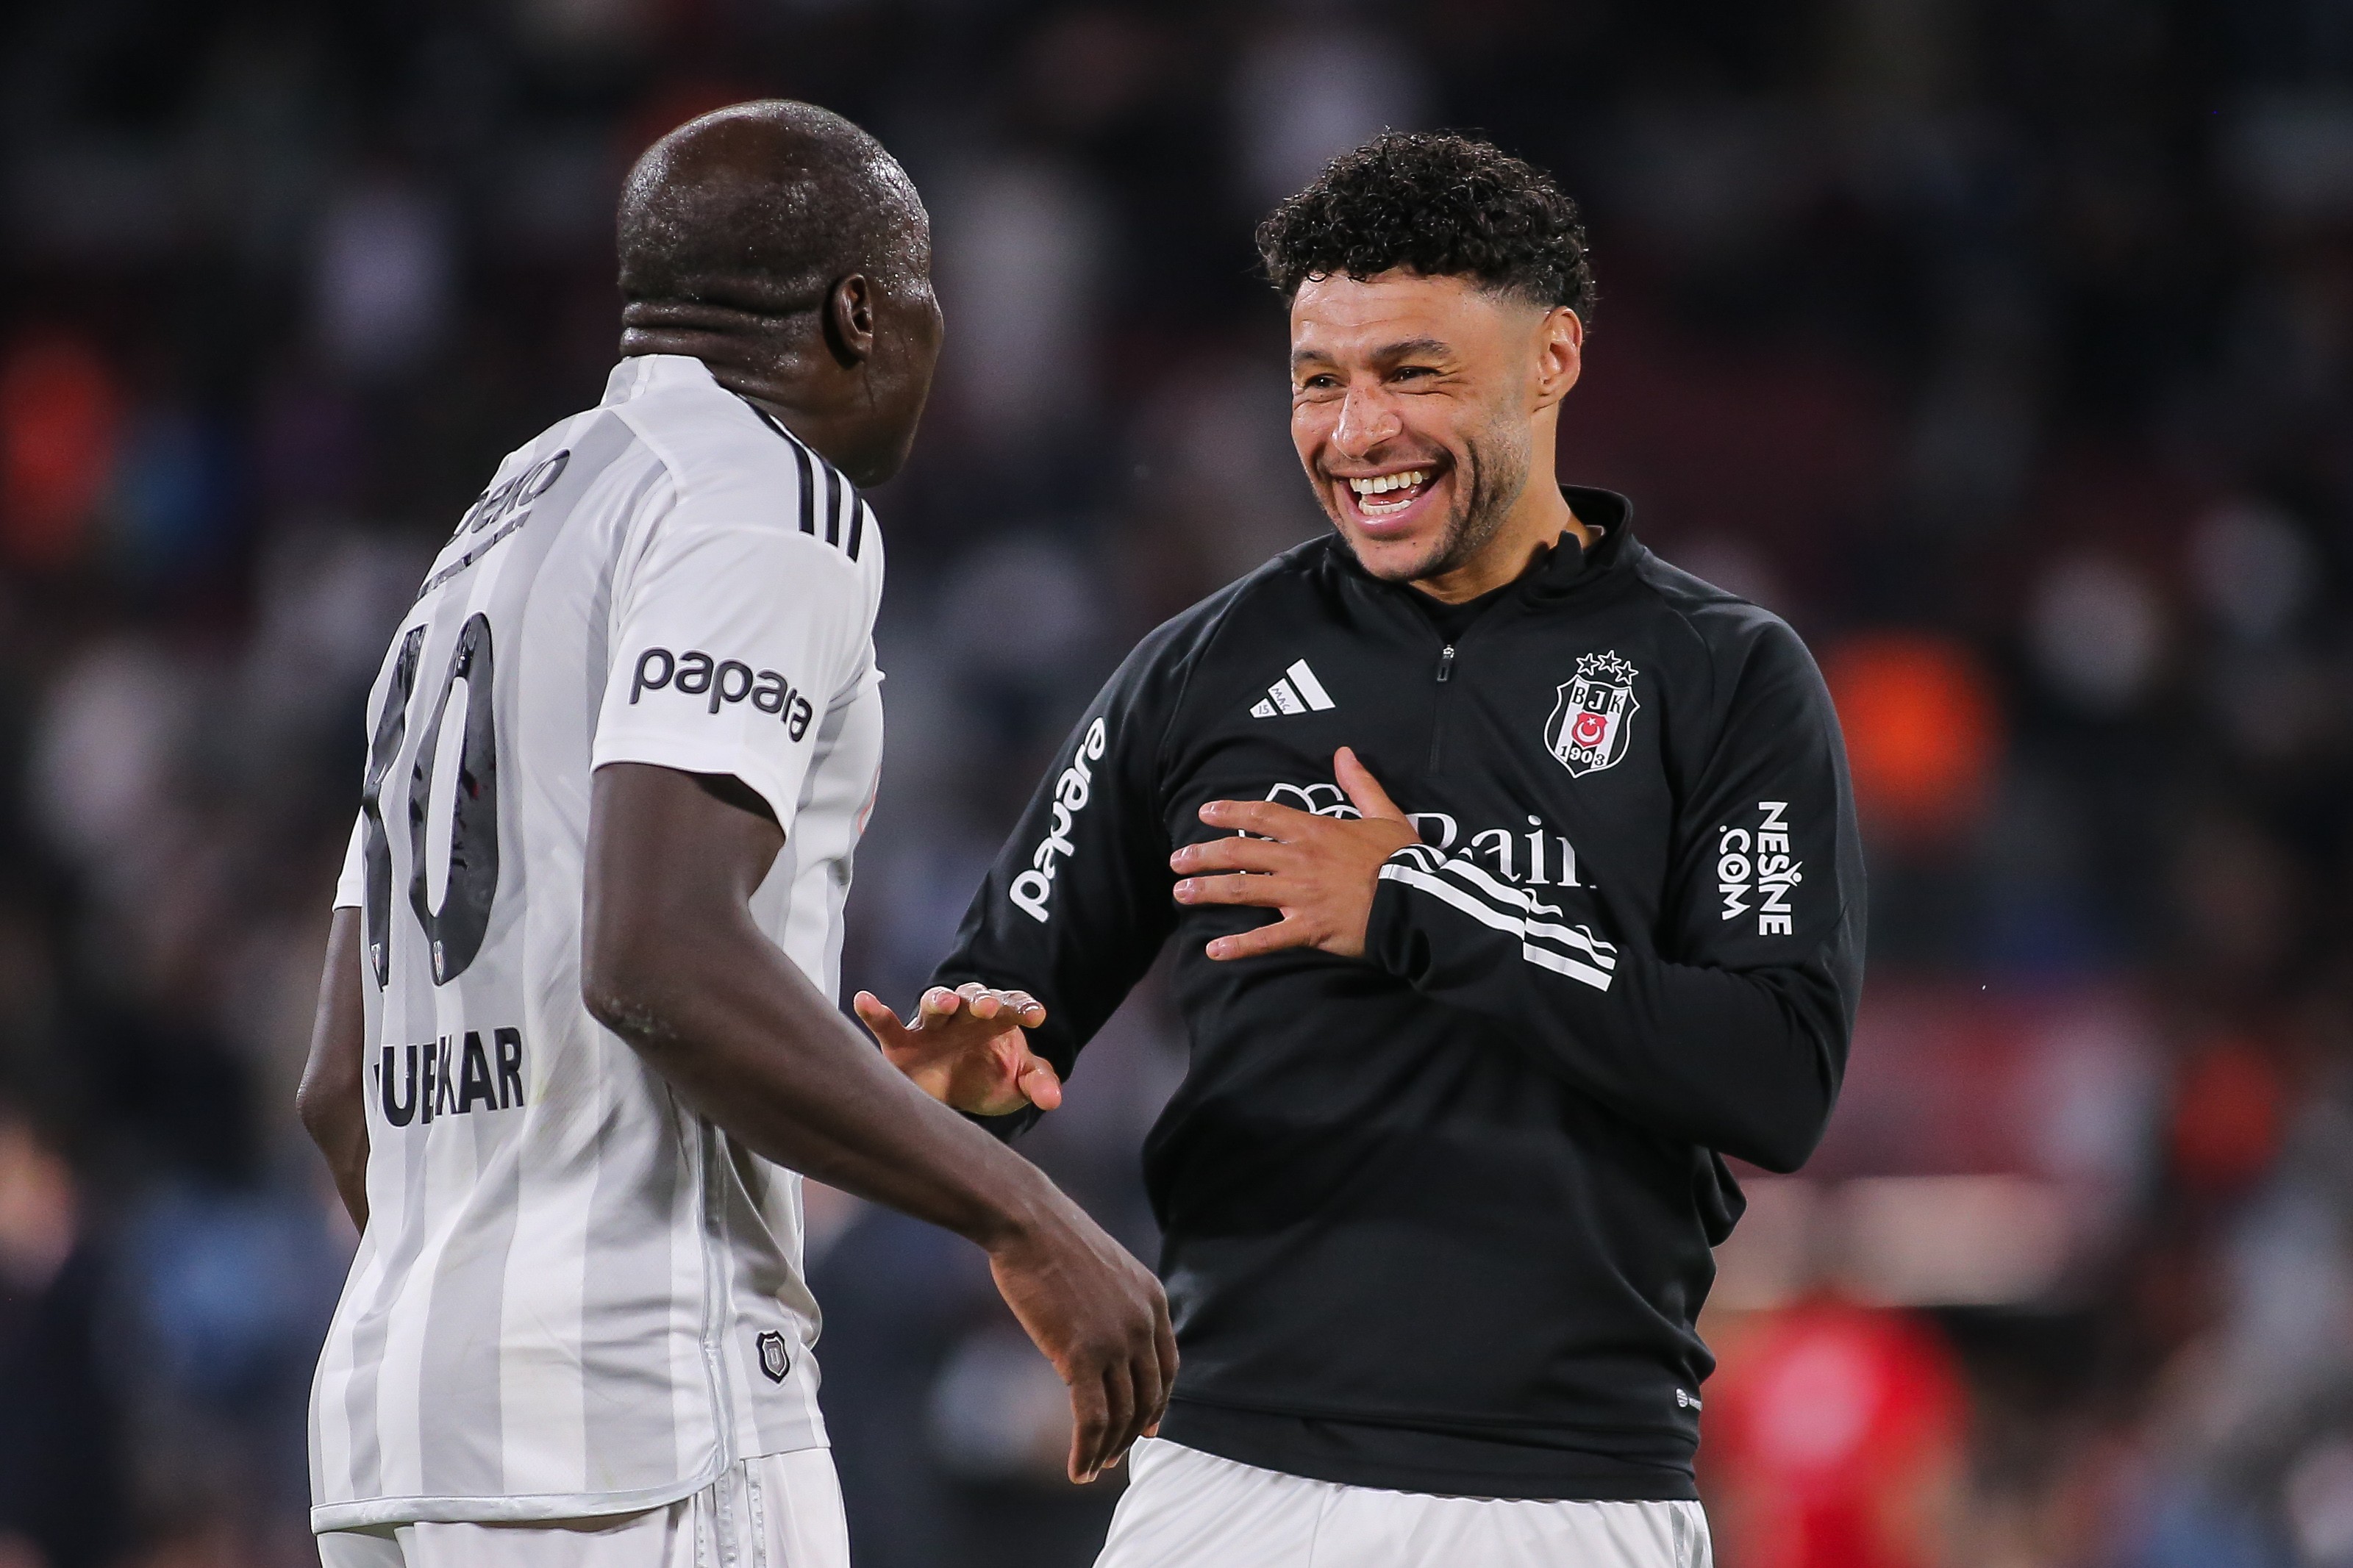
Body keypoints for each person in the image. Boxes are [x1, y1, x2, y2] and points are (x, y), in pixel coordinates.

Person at [857, 131, 1865, 1567]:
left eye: (1411, 373)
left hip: (1566, 1497)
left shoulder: (1722, 674)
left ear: (1551, 360)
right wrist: (962, 1093)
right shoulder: (1200, 667)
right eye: (1318, 381)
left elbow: (1772, 1074)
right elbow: (1001, 1019)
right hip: (1228, 1476)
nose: (1354, 431)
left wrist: (1410, 897)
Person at [294, 100, 1174, 1568]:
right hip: (639, 1424)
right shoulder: (764, 499)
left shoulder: (488, 537)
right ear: (857, 311)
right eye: (924, 292)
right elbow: (656, 961)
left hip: (395, 1434)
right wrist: (1031, 1214)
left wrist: (824, 1090)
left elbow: (341, 1078)